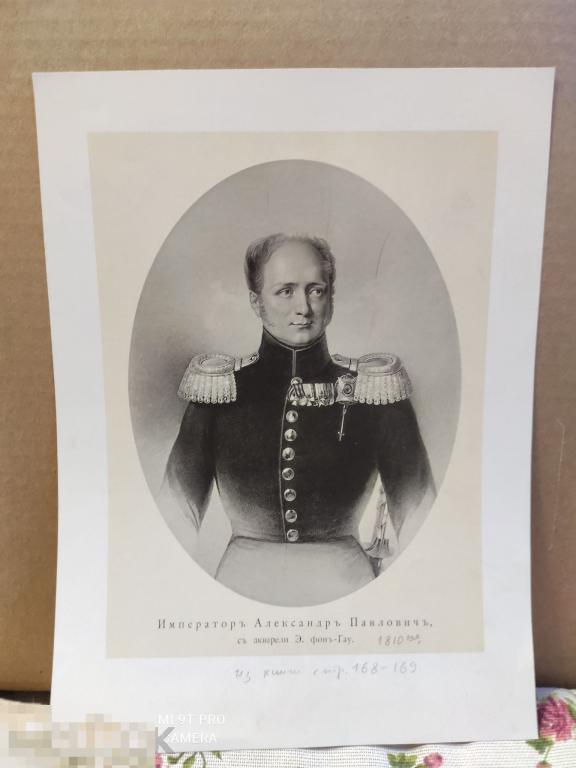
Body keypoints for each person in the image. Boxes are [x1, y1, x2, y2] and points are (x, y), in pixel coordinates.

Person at [165, 233, 435, 605]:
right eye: (285, 291)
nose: (303, 308)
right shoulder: (217, 392)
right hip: (240, 591)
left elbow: (422, 522)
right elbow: (174, 517)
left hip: (348, 591)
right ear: (256, 302)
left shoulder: (376, 392)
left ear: (331, 299)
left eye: (316, 290)